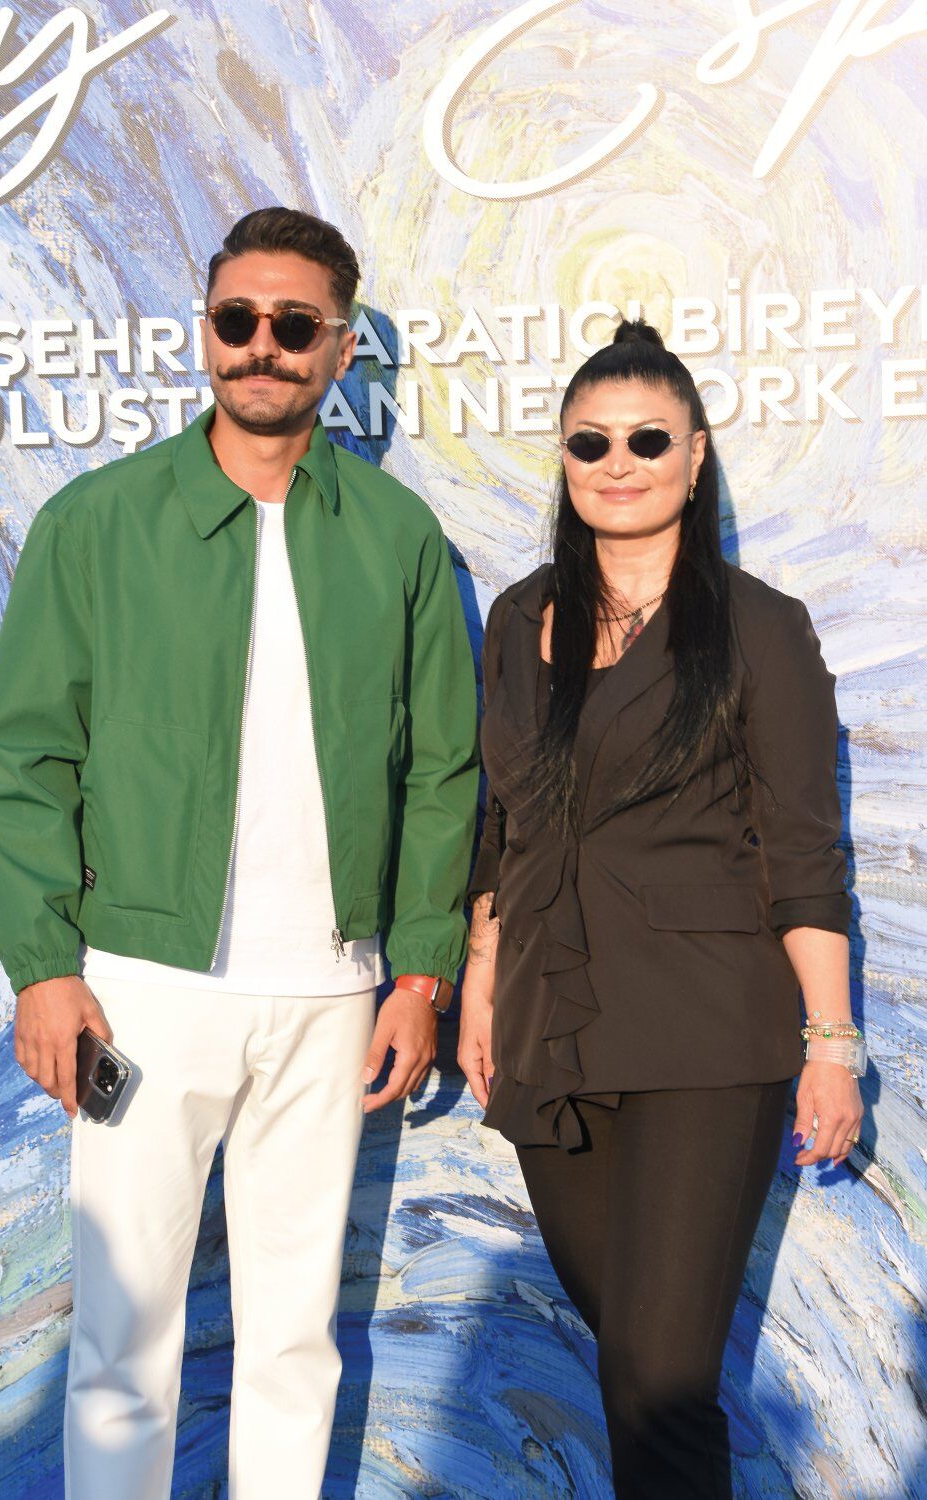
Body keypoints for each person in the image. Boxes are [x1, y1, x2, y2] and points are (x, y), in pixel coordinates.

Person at [0, 206, 479, 1499]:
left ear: (340, 348)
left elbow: (443, 772)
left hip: (330, 999)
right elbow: (28, 763)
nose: (263, 344)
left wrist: (420, 972)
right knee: (120, 1342)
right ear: (205, 331)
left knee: (295, 1344)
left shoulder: (397, 538)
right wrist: (44, 970)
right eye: (238, 318)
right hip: (141, 994)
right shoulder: (97, 523)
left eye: (294, 324)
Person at [457, 320, 863, 1499]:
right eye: (590, 442)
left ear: (694, 457)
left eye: (647, 439)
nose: (618, 463)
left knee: (664, 1377)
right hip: (549, 1030)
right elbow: (503, 818)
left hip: (703, 1033)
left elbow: (802, 849)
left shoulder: (758, 625)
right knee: (631, 1370)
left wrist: (830, 1043)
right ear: (563, 459)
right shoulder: (518, 617)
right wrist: (480, 979)